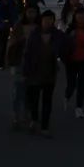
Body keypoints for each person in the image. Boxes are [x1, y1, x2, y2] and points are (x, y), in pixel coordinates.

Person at [22, 9, 65, 137]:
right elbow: (27, 54)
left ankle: (45, 126)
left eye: (51, 20)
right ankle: (34, 120)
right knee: (34, 100)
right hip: (34, 72)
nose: (48, 22)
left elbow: (67, 45)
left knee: (47, 101)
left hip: (50, 73)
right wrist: (25, 71)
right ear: (41, 21)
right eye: (46, 20)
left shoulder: (57, 35)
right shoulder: (34, 35)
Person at [6, 7, 37, 129]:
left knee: (30, 91)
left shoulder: (38, 26)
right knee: (18, 91)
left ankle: (27, 114)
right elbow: (12, 45)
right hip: (20, 62)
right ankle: (16, 116)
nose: (32, 14)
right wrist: (10, 62)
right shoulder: (19, 26)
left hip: (34, 63)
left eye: (34, 12)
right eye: (29, 12)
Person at [62, 7, 84, 119]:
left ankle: (79, 108)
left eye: (83, 15)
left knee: (81, 85)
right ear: (75, 17)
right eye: (79, 15)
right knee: (72, 84)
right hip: (71, 61)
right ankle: (67, 96)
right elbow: (64, 45)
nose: (81, 17)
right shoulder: (70, 29)